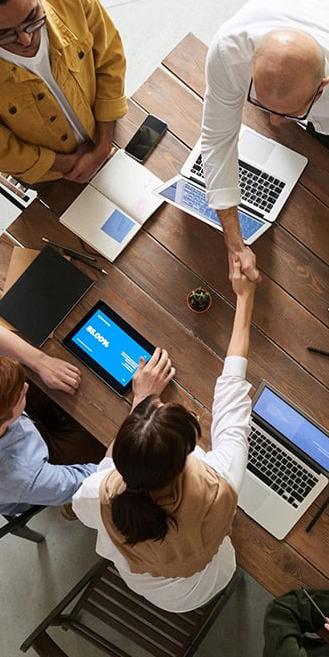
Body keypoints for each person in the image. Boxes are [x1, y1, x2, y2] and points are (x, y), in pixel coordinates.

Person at [73, 259, 256, 612]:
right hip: (206, 580)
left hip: (154, 590)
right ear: (184, 460)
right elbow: (232, 394)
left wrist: (140, 400)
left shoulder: (98, 493)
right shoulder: (219, 482)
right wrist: (245, 298)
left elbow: (104, 473)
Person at [201, 0, 329, 283]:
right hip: (291, 7)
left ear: (323, 86)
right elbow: (217, 140)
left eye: (289, 113)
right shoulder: (227, 51)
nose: (275, 122)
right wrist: (234, 240)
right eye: (262, 103)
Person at [0, 0, 127, 186]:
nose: (26, 40)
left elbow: (110, 59)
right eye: (3, 33)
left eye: (32, 18)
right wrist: (70, 164)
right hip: (53, 175)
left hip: (108, 127)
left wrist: (102, 146)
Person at [0, 313, 104, 515]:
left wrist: (40, 362)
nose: (25, 386)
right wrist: (141, 404)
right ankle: (70, 508)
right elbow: (101, 481)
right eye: (20, 395)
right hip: (25, 480)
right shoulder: (23, 478)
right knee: (108, 440)